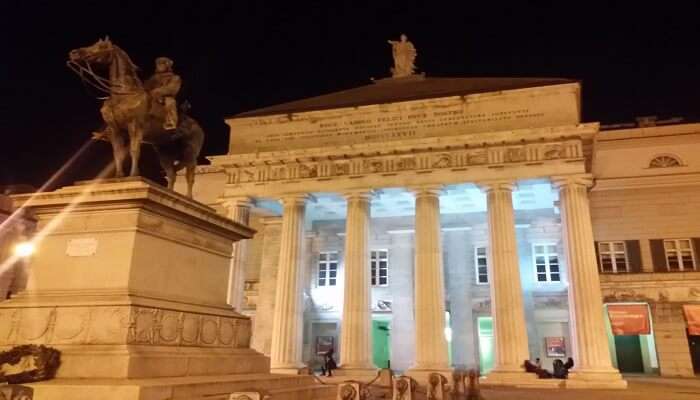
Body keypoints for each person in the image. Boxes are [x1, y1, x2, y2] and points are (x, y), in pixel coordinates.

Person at [144, 57, 182, 131]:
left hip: (164, 98)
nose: (158, 66)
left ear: (167, 65)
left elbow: (171, 88)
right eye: (158, 64)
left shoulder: (175, 78)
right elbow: (145, 86)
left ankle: (171, 122)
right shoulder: (153, 78)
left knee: (170, 101)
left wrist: (156, 91)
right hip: (151, 97)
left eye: (161, 64)